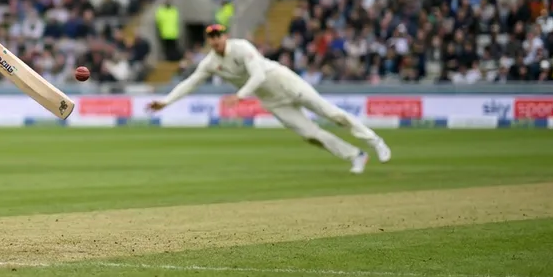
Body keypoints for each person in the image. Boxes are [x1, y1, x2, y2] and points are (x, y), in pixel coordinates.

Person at [148, 24, 391, 174]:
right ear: (208, 40)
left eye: (219, 35)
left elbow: (259, 75)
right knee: (311, 135)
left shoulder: (242, 47)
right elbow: (190, 83)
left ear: (225, 36)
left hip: (285, 83)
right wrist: (166, 101)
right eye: (211, 36)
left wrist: (240, 96)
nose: (215, 39)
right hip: (272, 100)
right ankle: (356, 156)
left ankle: (375, 140)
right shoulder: (210, 62)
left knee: (333, 115)